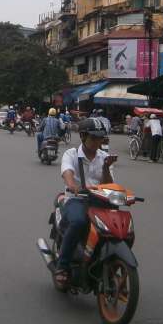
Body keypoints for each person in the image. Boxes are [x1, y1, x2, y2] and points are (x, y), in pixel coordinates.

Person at [54, 117, 117, 288]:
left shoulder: (104, 157)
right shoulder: (71, 154)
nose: (98, 141)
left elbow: (108, 184)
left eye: (100, 138)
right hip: (76, 199)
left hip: (99, 201)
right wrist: (72, 185)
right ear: (83, 136)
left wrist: (106, 168)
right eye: (93, 137)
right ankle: (62, 266)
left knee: (117, 227)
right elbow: (67, 172)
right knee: (78, 222)